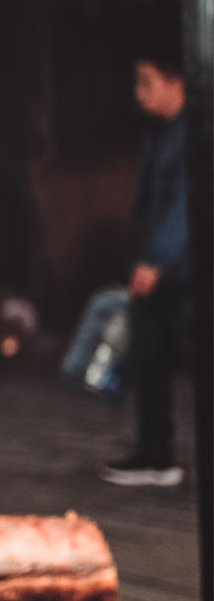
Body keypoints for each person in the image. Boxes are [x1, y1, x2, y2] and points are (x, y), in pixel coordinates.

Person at [99, 43, 190, 487]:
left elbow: (186, 204)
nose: (140, 93)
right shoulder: (160, 131)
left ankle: (158, 456)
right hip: (161, 266)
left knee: (163, 359)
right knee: (149, 361)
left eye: (147, 82)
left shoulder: (189, 133)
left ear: (178, 84)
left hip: (178, 271)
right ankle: (155, 455)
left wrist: (155, 259)